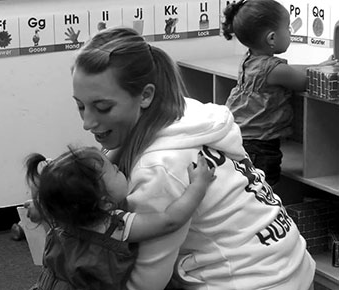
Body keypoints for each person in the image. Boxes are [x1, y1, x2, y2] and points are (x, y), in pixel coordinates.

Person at [71, 26, 315, 290]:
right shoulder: (188, 114)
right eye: (80, 105)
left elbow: (147, 282)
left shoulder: (159, 167)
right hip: (293, 268)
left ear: (145, 96)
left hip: (255, 282)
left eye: (103, 107)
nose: (87, 122)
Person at [25, 146, 215, 290]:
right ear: (106, 203)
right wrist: (198, 185)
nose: (117, 166)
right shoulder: (115, 226)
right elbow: (170, 220)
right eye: (114, 171)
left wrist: (39, 207)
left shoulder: (65, 215)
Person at [222, 0, 333, 186]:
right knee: (265, 189)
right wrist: (327, 70)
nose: (290, 32)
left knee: (249, 189)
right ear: (272, 38)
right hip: (261, 146)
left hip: (241, 137)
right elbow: (304, 81)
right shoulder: (274, 70)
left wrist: (320, 65)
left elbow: (291, 70)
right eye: (288, 28)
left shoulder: (251, 60)